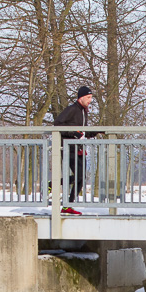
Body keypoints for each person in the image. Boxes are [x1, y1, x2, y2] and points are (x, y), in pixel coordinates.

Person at [53, 86, 101, 215]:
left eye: (91, 98)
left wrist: (97, 131)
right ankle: (53, 184)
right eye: (88, 98)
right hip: (69, 148)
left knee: (82, 178)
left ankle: (67, 206)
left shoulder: (84, 112)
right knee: (79, 175)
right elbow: (57, 124)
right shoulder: (72, 109)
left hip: (79, 148)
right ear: (81, 97)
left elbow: (83, 132)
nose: (90, 100)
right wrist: (73, 133)